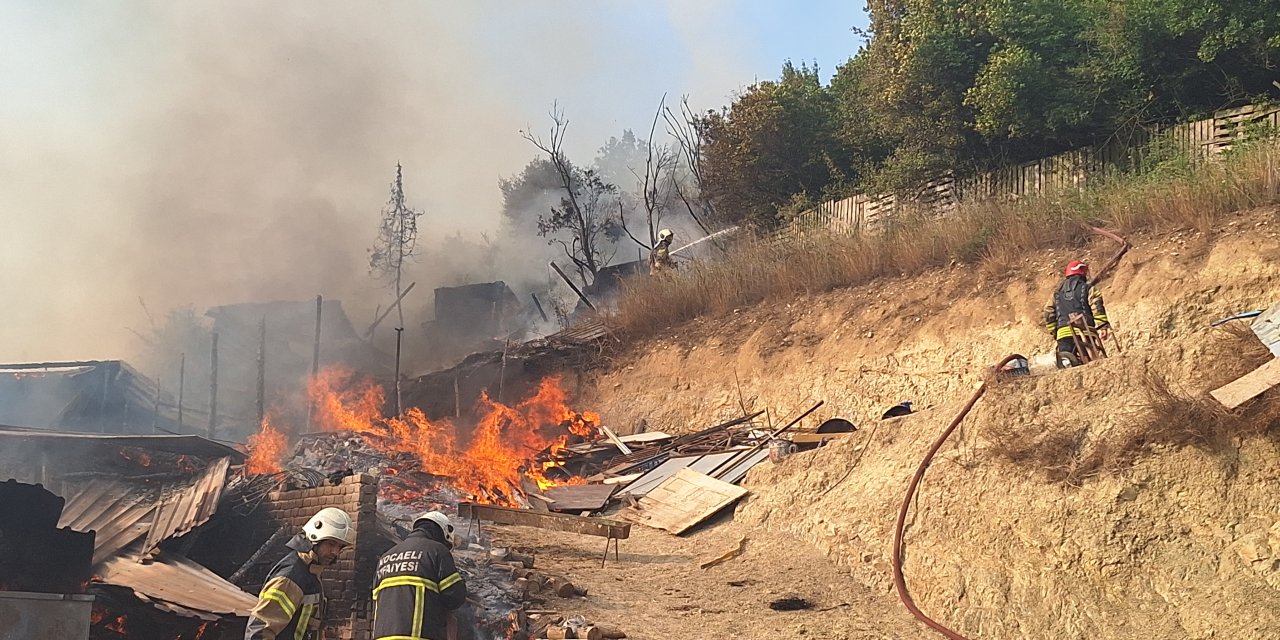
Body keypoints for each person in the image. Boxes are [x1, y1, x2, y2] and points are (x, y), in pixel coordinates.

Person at [246, 507, 355, 640]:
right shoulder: (290, 578)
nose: (335, 552)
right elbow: (259, 633)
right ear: (314, 539)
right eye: (331, 544)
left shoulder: (311, 574)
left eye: (339, 547)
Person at [371, 511, 467, 640]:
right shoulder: (437, 551)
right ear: (441, 532)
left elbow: (376, 599)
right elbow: (454, 597)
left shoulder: (385, 558)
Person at [1043, 260, 1110, 368]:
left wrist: (1055, 332)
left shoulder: (1056, 294)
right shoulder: (1088, 289)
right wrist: (1103, 326)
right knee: (1092, 365)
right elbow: (1097, 306)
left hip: (1063, 334)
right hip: (1085, 331)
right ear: (1082, 272)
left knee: (1066, 365)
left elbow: (1048, 314)